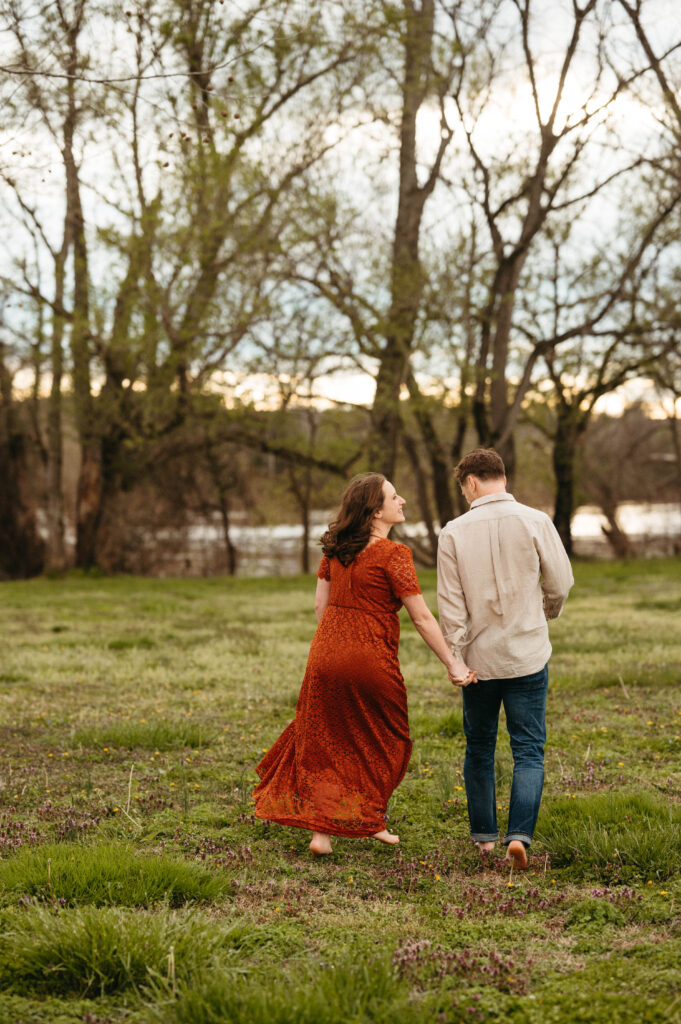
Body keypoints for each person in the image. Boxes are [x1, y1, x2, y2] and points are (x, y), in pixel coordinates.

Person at [254, 472, 475, 855]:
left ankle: (322, 835)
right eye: (394, 497)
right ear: (375, 512)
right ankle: (368, 818)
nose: (402, 500)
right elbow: (422, 618)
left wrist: (335, 644)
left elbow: (320, 607)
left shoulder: (334, 550)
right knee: (386, 738)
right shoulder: (394, 555)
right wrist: (453, 664)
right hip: (370, 658)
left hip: (324, 655)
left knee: (325, 740)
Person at [436, 448, 573, 870]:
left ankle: (484, 840)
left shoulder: (453, 532)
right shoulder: (536, 521)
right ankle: (520, 836)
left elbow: (450, 604)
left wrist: (455, 655)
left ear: (471, 482)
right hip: (527, 653)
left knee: (479, 746)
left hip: (479, 660)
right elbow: (561, 581)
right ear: (502, 477)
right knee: (528, 749)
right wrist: (545, 612)